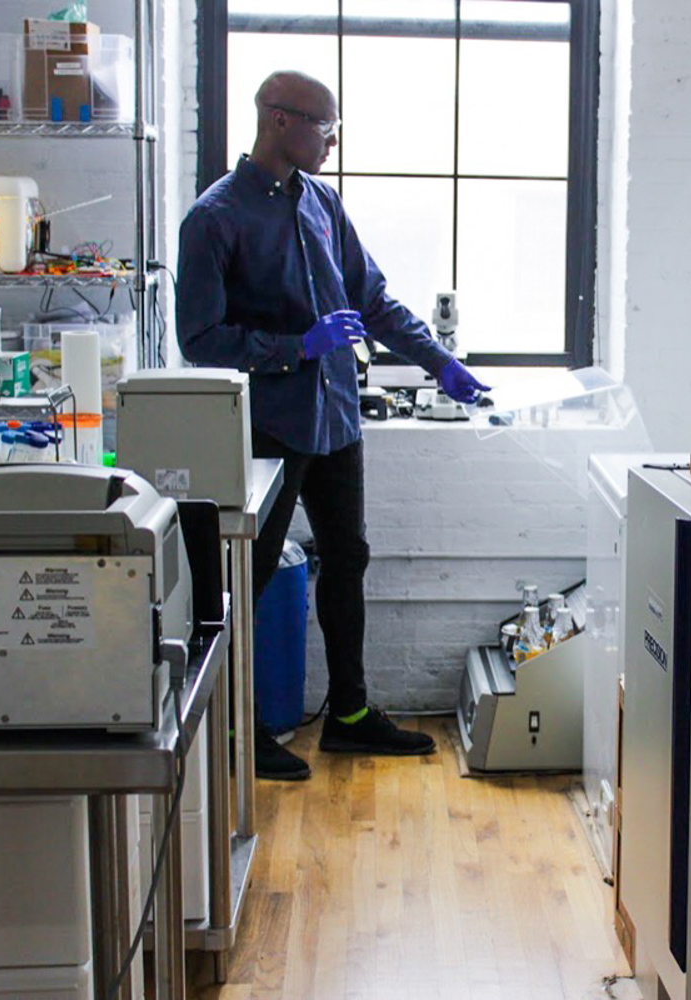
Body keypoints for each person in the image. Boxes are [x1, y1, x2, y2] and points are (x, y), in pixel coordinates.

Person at [176, 71, 491, 780]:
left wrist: (440, 364)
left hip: (337, 418)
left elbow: (373, 300)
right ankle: (238, 732)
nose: (333, 140)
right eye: (325, 126)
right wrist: (297, 347)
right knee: (246, 577)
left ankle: (349, 715)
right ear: (281, 120)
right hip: (269, 428)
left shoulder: (322, 203)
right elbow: (198, 338)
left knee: (346, 560)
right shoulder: (214, 219)